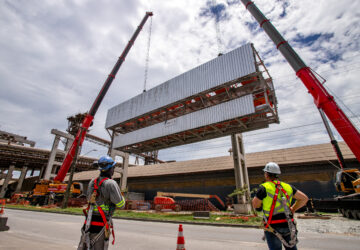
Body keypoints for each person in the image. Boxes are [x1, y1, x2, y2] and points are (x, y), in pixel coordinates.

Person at [252, 162, 308, 250]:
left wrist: (260, 206)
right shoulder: (288, 186)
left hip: (272, 226)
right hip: (288, 224)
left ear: (266, 174)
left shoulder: (264, 188)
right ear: (277, 174)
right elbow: (304, 198)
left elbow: (255, 204)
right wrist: (293, 209)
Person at [78, 156, 125, 250]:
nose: (113, 170)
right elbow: (121, 205)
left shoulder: (92, 182)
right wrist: (122, 197)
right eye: (113, 168)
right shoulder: (111, 184)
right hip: (101, 224)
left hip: (88, 223)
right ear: (109, 169)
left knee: (84, 246)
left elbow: (89, 199)